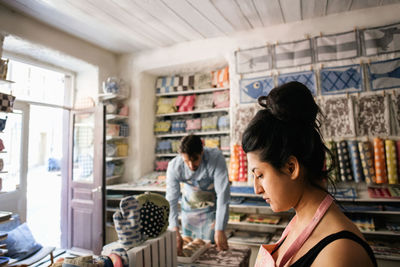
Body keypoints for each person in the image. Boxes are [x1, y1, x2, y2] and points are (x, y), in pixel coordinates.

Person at [242, 81, 377, 267]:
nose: (256, 189)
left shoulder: (339, 253)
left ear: (291, 167)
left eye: (260, 175)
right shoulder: (298, 222)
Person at [166, 134, 230, 255]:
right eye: (186, 161)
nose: (191, 165)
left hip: (210, 211)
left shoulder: (216, 158)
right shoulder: (174, 166)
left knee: (211, 250)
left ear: (202, 151)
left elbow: (223, 195)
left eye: (195, 159)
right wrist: (174, 229)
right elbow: (171, 200)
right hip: (189, 211)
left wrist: (220, 228)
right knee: (188, 249)